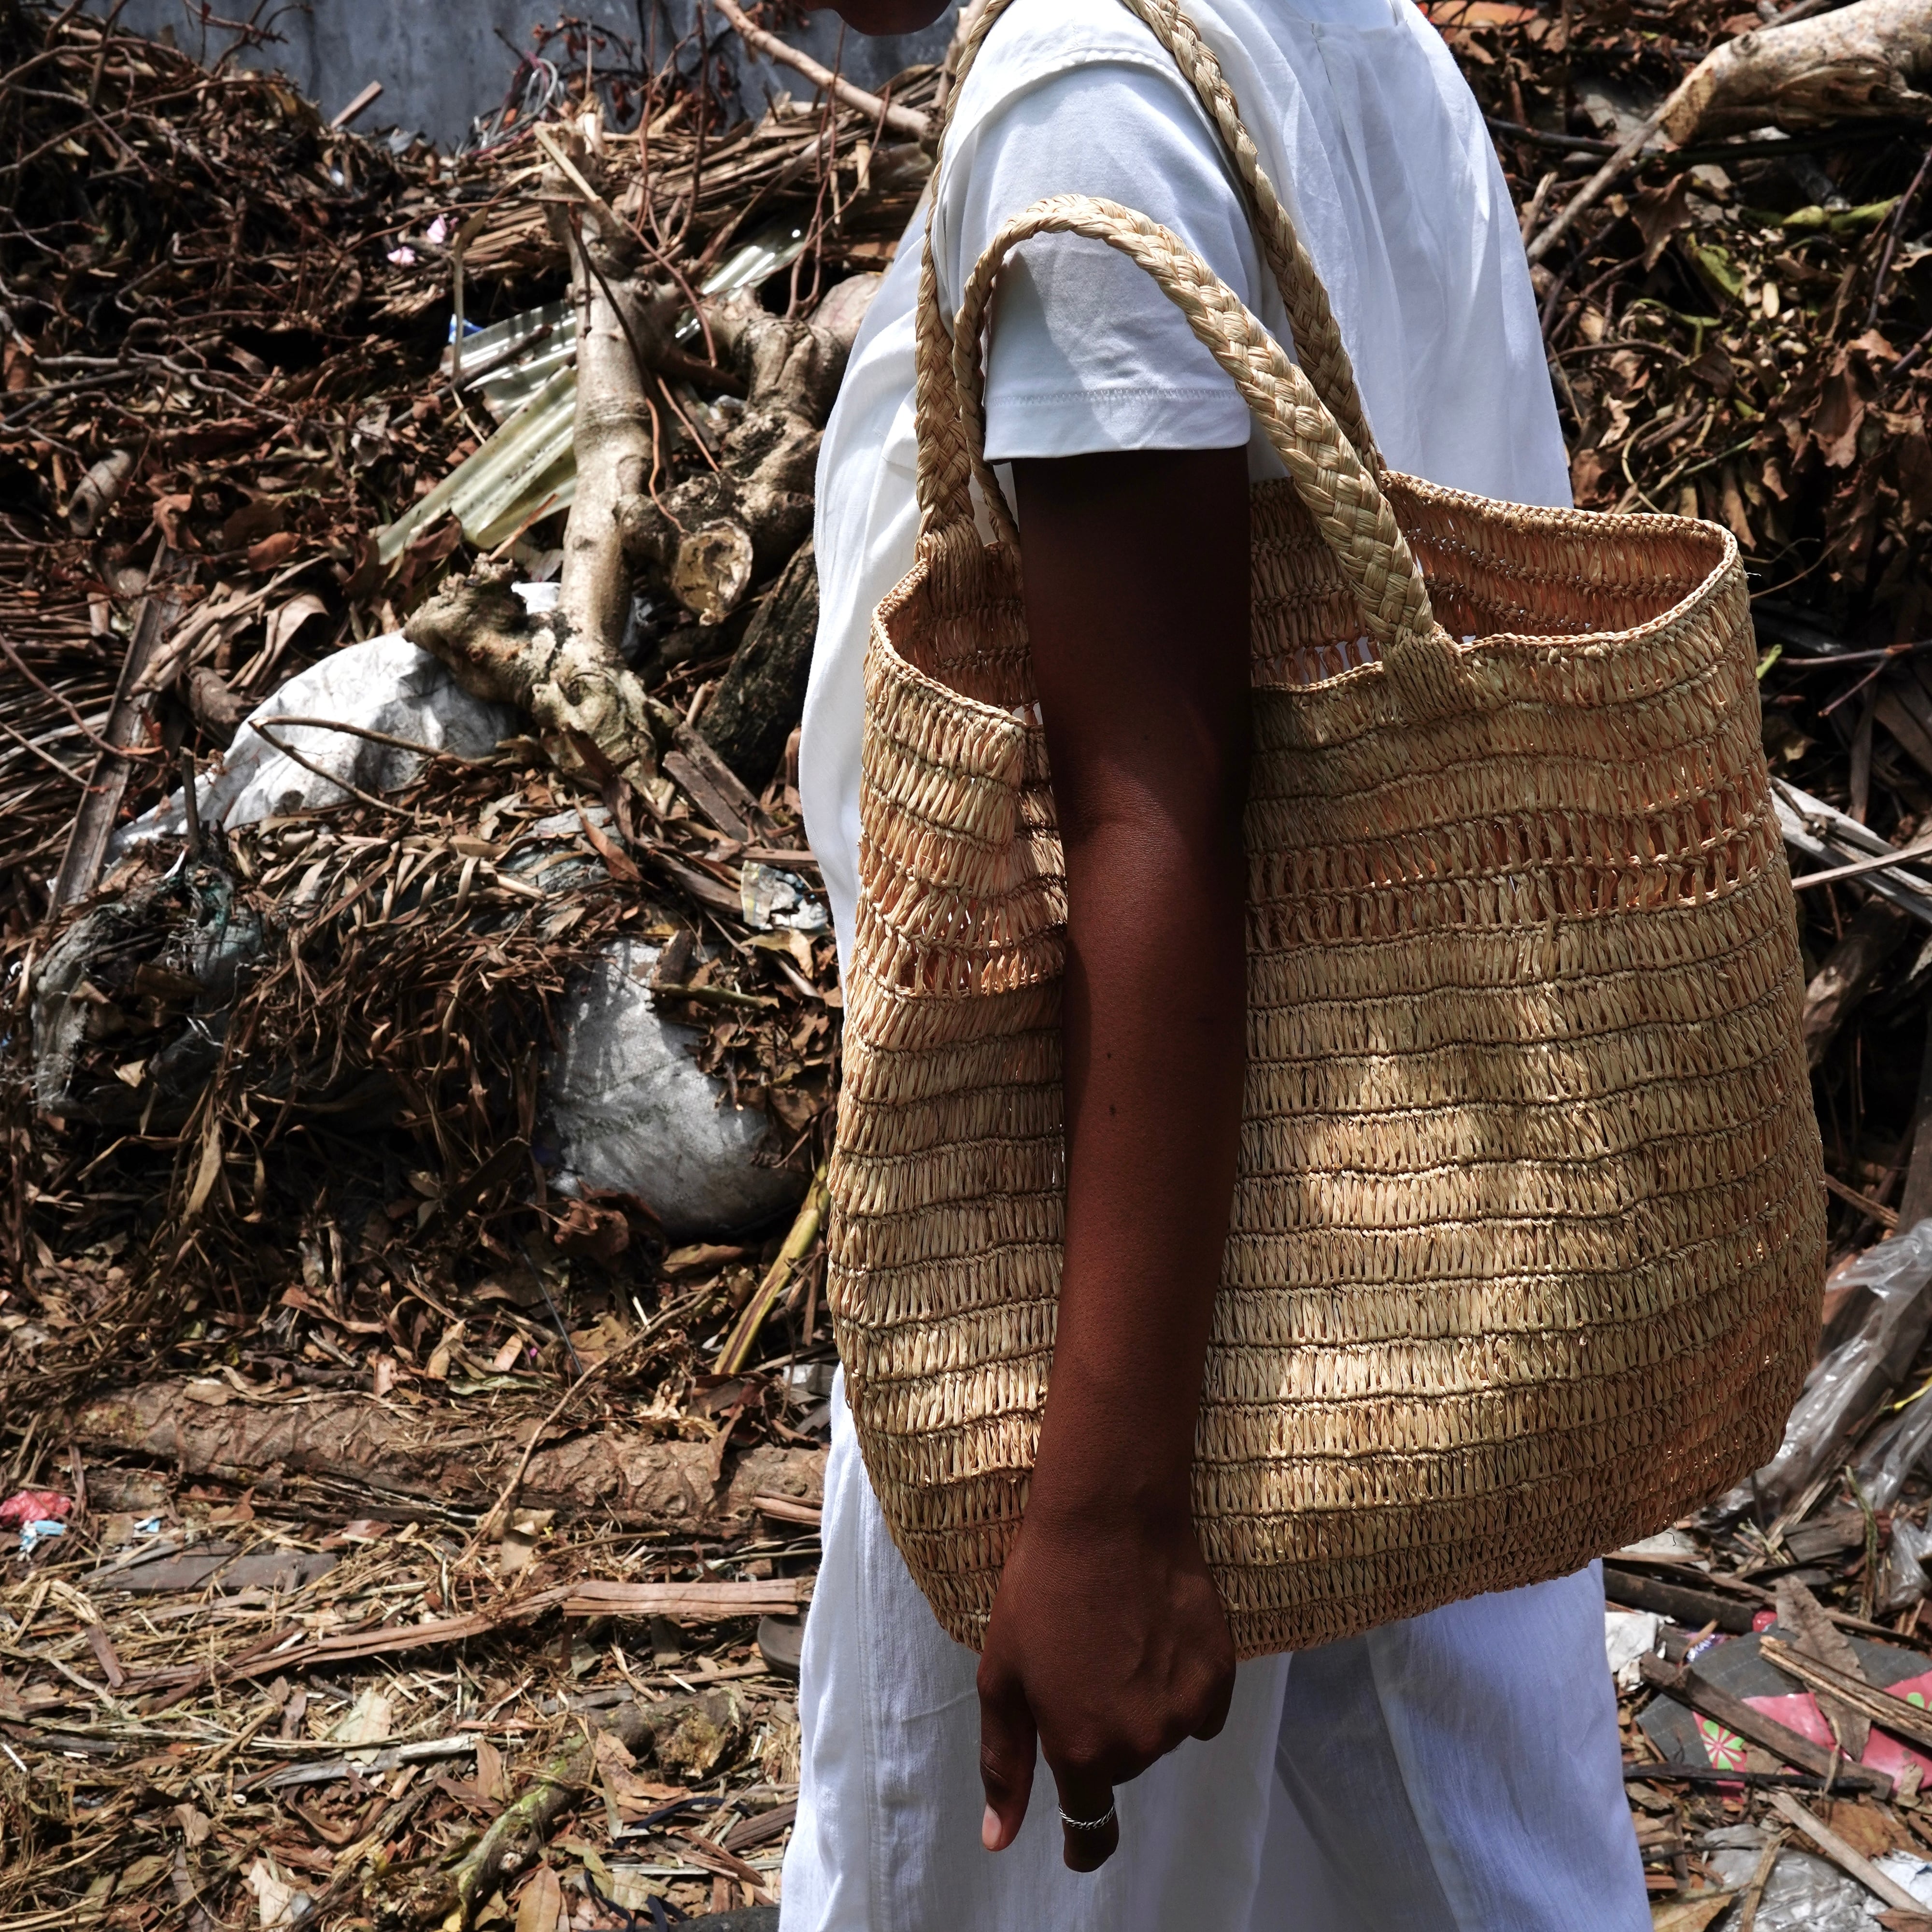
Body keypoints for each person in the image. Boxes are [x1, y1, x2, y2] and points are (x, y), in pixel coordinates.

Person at [782, 0, 1653, 1925]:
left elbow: (1148, 807)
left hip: (1110, 1299)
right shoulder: (1328, 28)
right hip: (1425, 1204)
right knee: (1449, 1845)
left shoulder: (1086, 106)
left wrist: (1102, 1507)